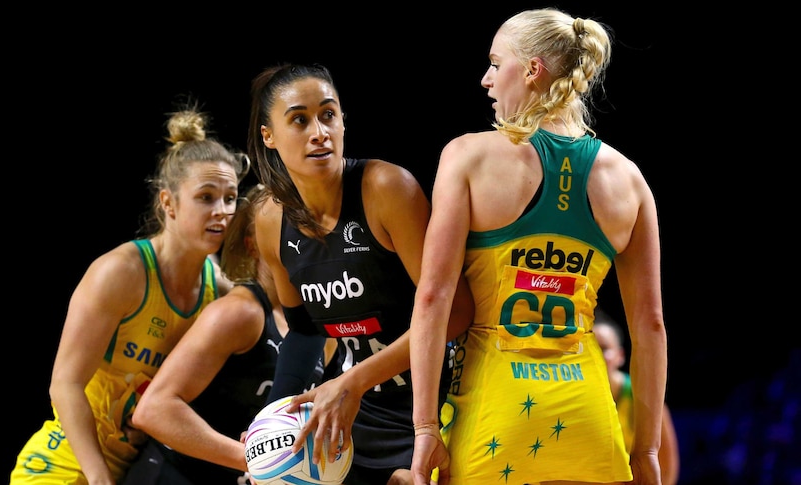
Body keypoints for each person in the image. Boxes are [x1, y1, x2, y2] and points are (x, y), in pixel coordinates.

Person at [407, 8, 667, 485]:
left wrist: (424, 427)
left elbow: (432, 298)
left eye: (494, 62)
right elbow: (649, 325)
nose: (486, 80)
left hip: (495, 417)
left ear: (531, 70)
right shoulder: (630, 179)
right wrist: (646, 449)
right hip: (588, 418)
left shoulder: (467, 156)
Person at [247, 62, 474, 485]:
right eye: (299, 120)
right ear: (269, 136)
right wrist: (273, 420)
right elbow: (304, 332)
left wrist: (353, 382)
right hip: (355, 410)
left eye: (328, 114)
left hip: (433, 402)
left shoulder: (386, 188)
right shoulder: (269, 219)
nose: (319, 132)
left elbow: (456, 313)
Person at [9, 106, 250, 485]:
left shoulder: (219, 290)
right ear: (168, 203)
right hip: (63, 467)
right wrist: (100, 479)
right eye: (206, 197)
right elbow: (64, 384)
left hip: (135, 471)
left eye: (231, 198)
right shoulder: (120, 272)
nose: (222, 211)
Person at [127, 183, 337, 485]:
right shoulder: (240, 313)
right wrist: (260, 459)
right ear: (254, 245)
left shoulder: (319, 330)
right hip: (171, 474)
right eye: (285, 233)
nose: (298, 244)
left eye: (306, 230)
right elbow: (153, 410)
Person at [593, 307, 679, 485]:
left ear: (620, 356)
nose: (597, 356)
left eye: (603, 348)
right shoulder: (574, 398)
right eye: (591, 350)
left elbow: (667, 469)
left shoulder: (642, 397)